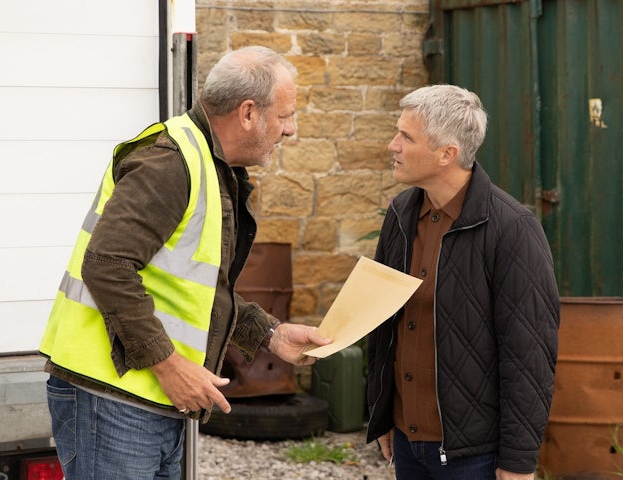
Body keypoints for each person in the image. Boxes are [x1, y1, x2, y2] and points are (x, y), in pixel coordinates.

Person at [39, 45, 330, 480]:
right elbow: (106, 264)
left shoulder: (208, 165)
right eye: (285, 115)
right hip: (114, 399)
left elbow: (192, 288)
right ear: (248, 113)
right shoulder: (170, 162)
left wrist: (270, 334)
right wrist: (170, 367)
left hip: (144, 399)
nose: (291, 130)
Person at [366, 84, 560, 480]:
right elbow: (382, 324)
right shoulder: (401, 214)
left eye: (406, 136)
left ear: (447, 154)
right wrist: (381, 413)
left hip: (475, 456)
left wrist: (518, 460)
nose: (393, 145)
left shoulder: (512, 228)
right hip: (406, 442)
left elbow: (529, 354)